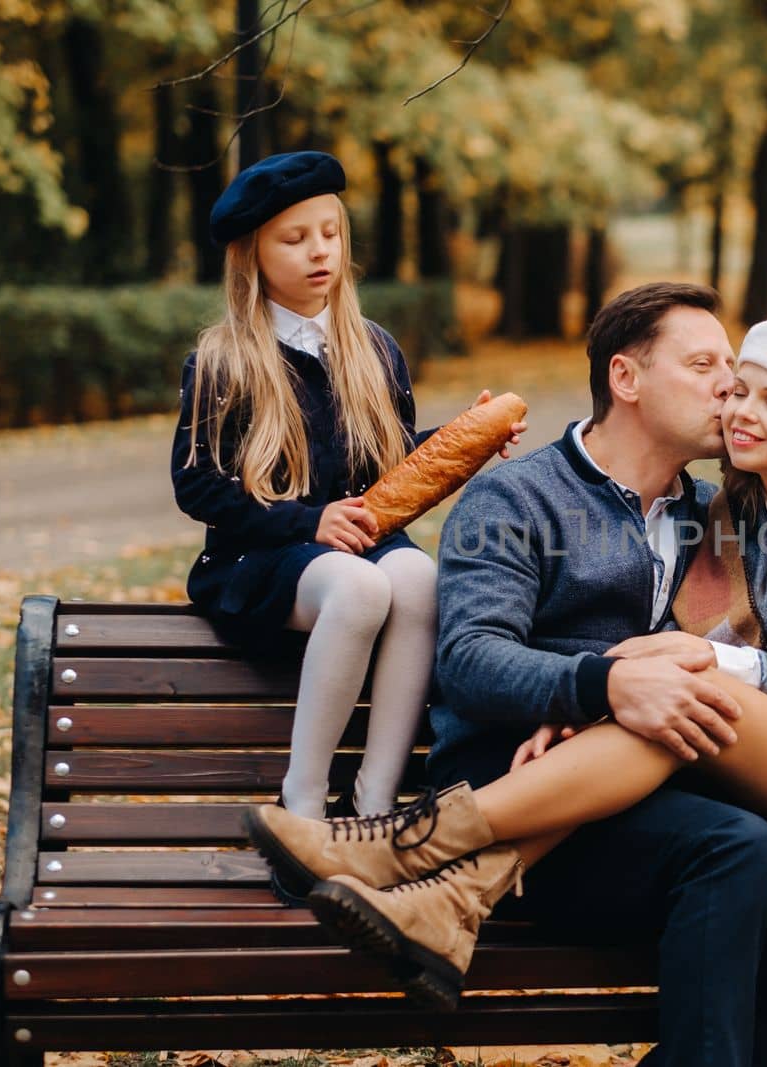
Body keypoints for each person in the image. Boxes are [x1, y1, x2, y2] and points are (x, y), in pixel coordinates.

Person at [247, 285, 767, 1066]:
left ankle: (436, 874)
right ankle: (427, 853)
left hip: (670, 773)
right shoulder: (519, 494)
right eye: (708, 366)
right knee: (736, 845)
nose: (727, 390)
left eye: (740, 378)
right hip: (524, 777)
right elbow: (469, 661)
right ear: (626, 378)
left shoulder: (718, 513)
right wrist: (599, 687)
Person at [172, 151, 523, 860]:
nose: (318, 251)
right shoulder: (225, 359)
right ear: (252, 255)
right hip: (261, 556)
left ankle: (374, 800)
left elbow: (389, 465)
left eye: (328, 232)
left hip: (355, 543)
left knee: (420, 578)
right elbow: (198, 486)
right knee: (362, 586)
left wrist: (464, 437)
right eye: (294, 238)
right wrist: (310, 522)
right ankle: (302, 803)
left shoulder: (374, 350)